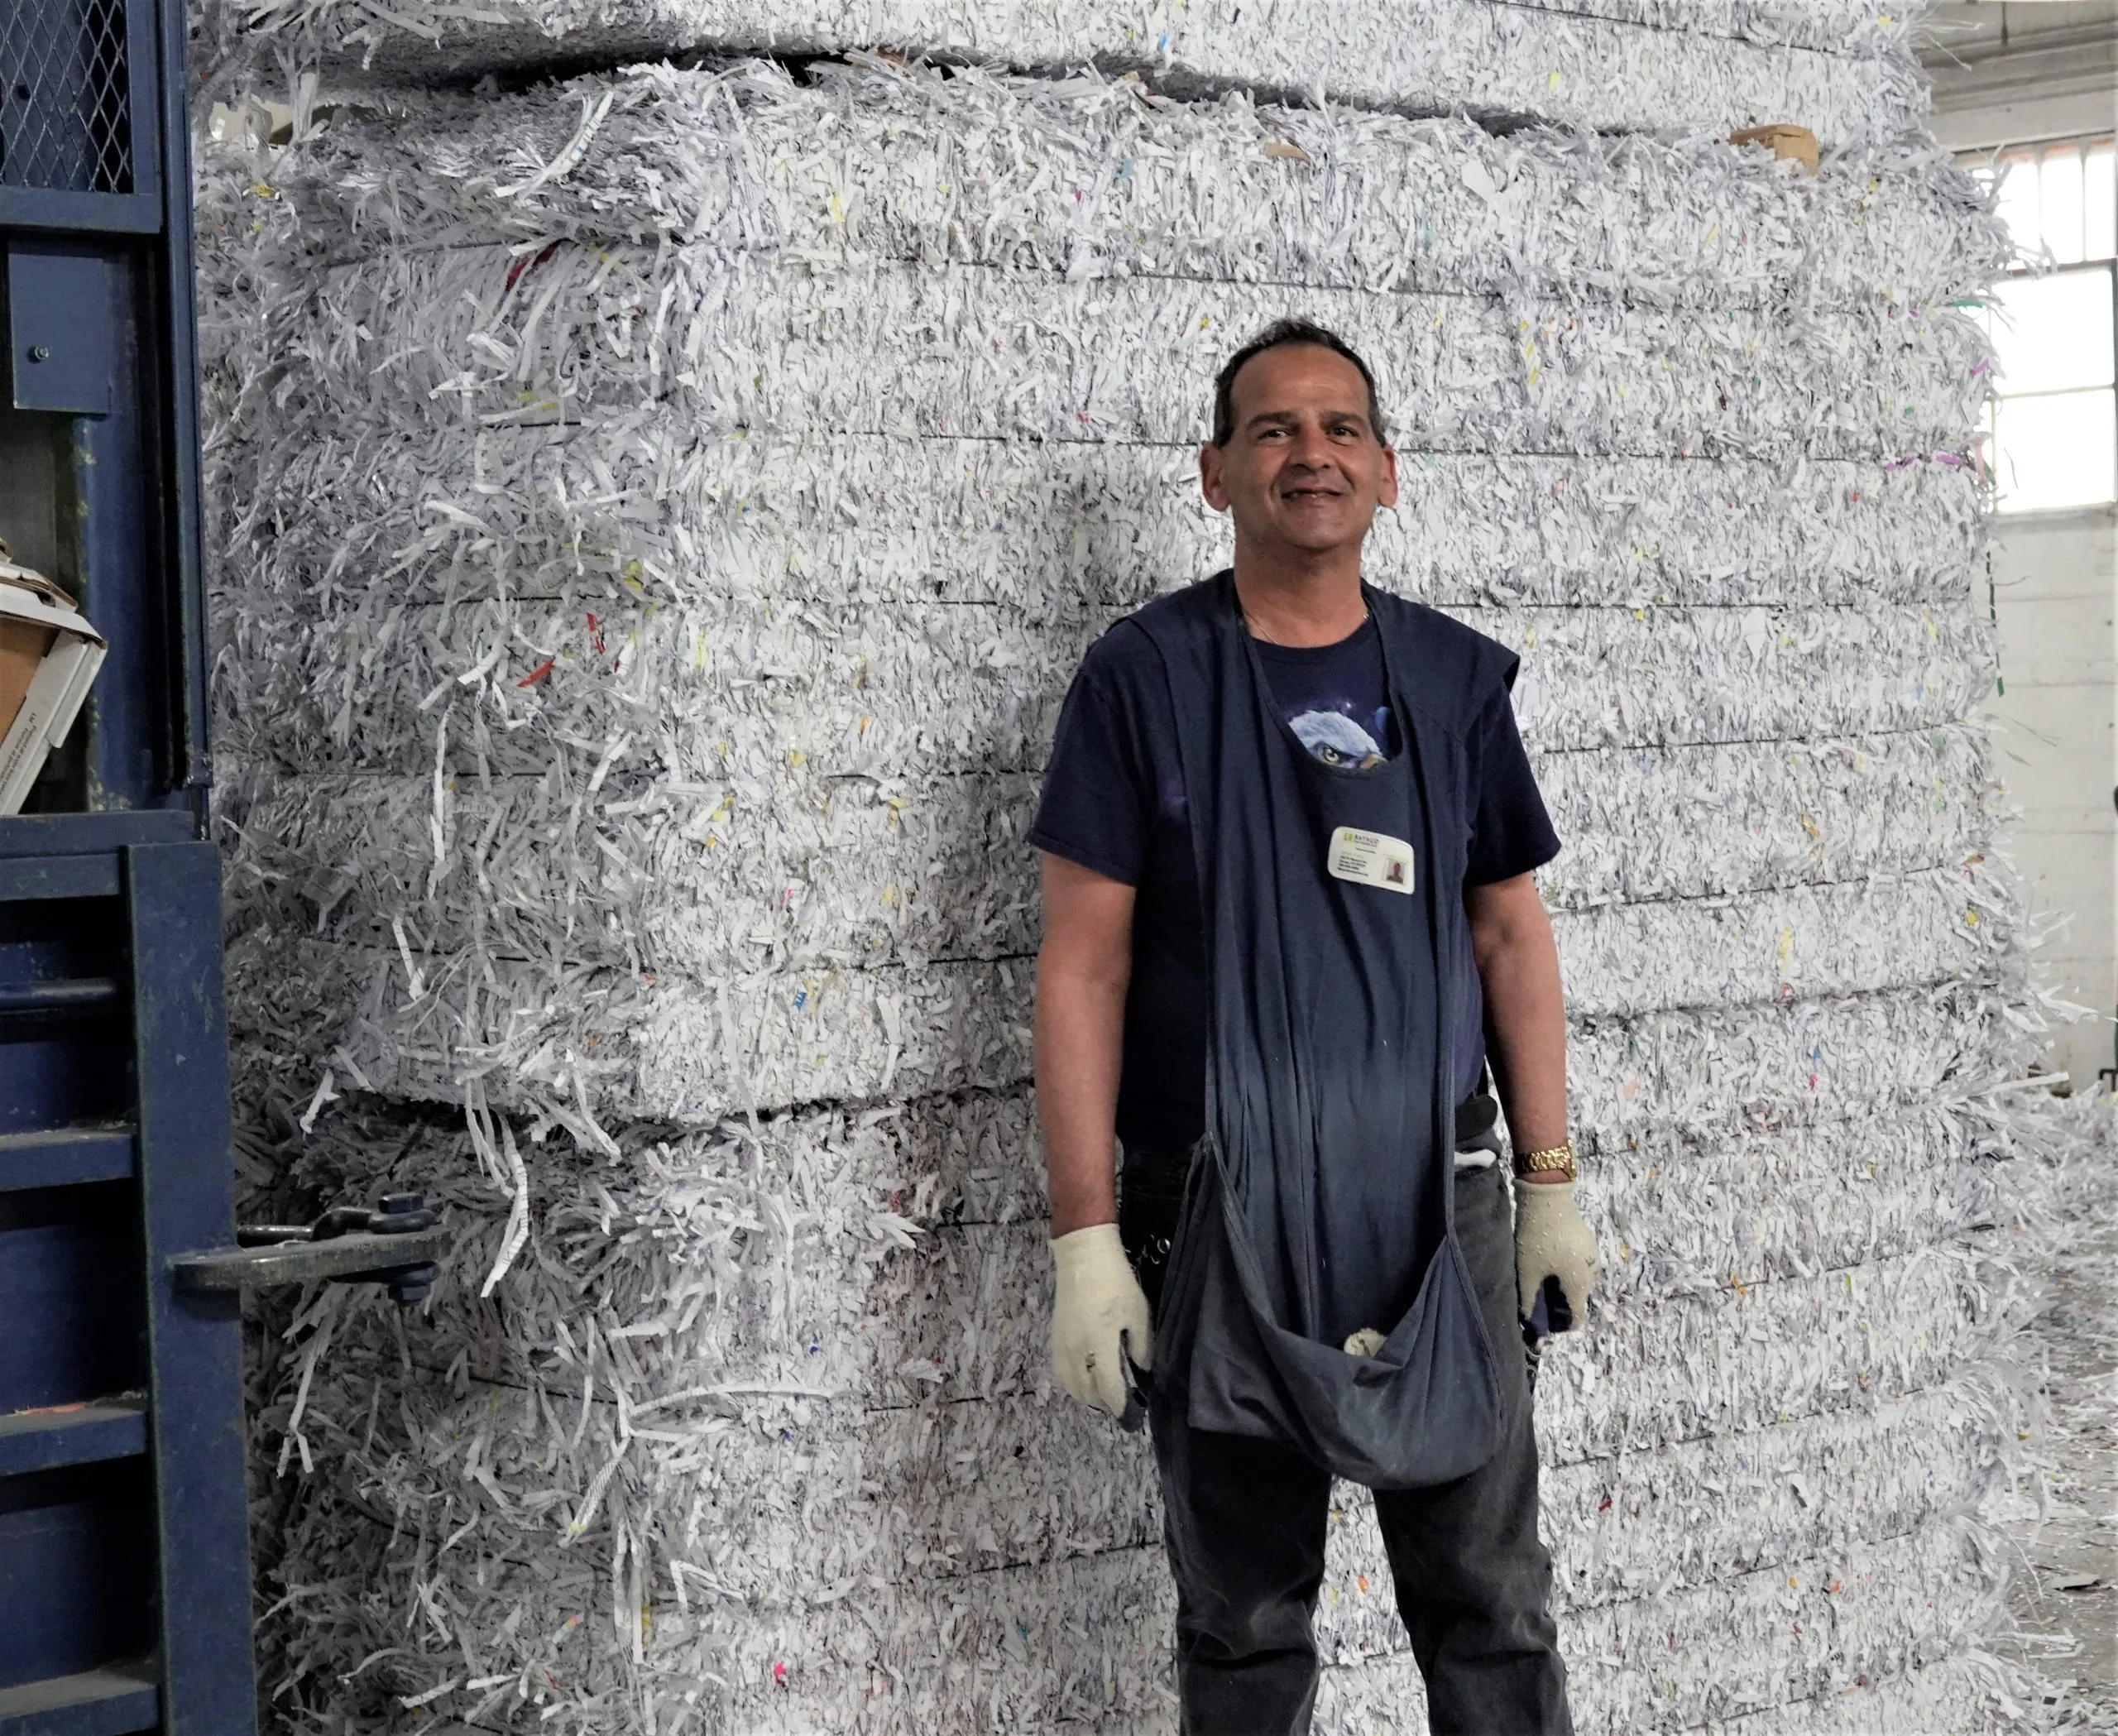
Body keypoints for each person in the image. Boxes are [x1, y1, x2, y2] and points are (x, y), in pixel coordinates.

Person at [1030, 319, 1598, 1735]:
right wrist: (1085, 1236)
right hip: (1215, 1200)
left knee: (1490, 1607)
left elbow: (1508, 932)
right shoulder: (1143, 680)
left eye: (1341, 429)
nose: (1311, 455)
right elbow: (1082, 965)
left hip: (1434, 1199)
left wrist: (1552, 1183)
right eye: (1273, 430)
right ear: (1215, 471)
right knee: (1241, 1624)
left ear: (1388, 472)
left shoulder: (1455, 685)